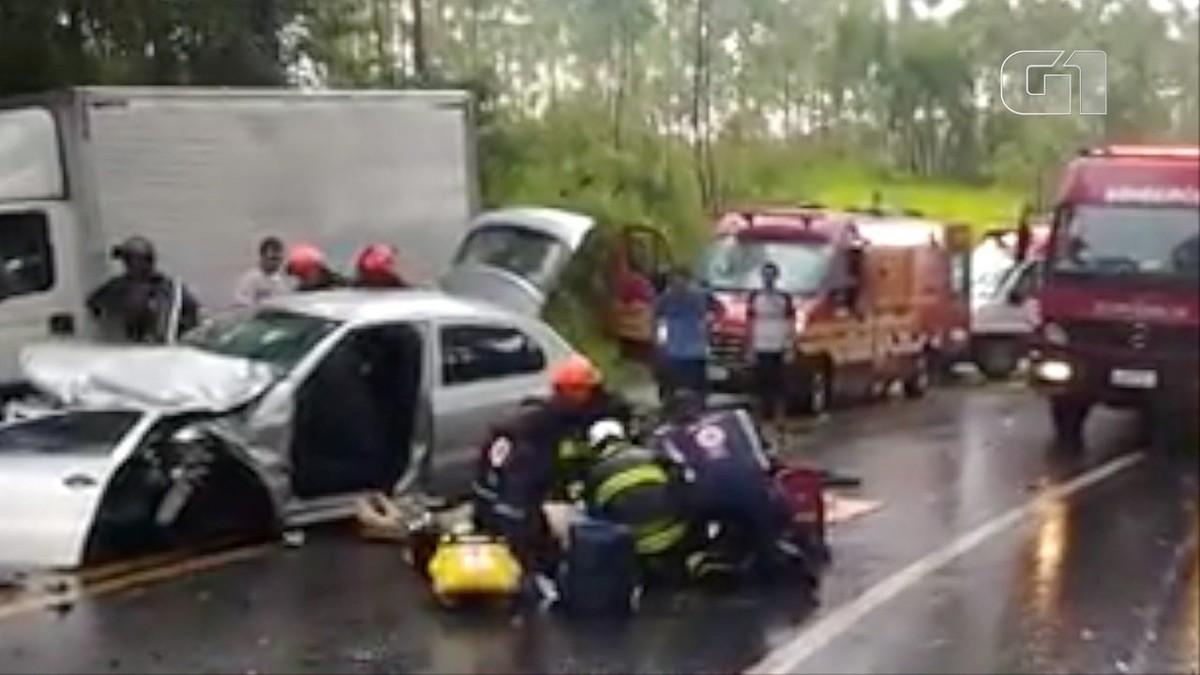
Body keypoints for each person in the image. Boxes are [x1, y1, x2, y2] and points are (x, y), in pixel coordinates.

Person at [470, 355, 634, 575]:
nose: (574, 396)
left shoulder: (605, 413)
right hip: (550, 506)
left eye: (579, 390)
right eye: (570, 390)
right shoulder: (543, 425)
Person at [651, 390, 815, 587]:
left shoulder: (666, 436)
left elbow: (668, 474)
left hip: (708, 501)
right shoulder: (737, 419)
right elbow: (765, 460)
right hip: (756, 493)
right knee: (765, 510)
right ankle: (770, 551)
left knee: (686, 499)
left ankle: (706, 555)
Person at [576, 418, 691, 585]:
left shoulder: (592, 476)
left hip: (637, 546)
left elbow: (595, 520)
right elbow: (683, 481)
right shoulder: (651, 455)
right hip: (677, 534)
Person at [86, 235, 200, 344]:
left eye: (129, 260)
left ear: (145, 262)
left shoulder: (170, 288)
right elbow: (93, 303)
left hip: (161, 349)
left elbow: (191, 313)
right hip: (125, 348)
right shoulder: (118, 285)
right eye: (126, 260)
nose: (126, 265)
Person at [653, 266, 722, 406]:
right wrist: (656, 336)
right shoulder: (666, 298)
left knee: (696, 391)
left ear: (688, 280)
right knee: (673, 390)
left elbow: (719, 309)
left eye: (681, 279)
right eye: (674, 280)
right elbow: (654, 315)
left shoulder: (700, 295)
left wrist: (710, 324)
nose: (678, 283)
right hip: (674, 351)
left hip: (694, 351)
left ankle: (696, 410)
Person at [745, 261, 797, 442]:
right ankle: (758, 427)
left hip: (778, 347)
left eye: (771, 275)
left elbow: (791, 323)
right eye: (765, 275)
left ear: (776, 277)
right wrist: (749, 348)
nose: (768, 279)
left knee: (779, 391)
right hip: (761, 347)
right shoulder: (754, 297)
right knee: (759, 391)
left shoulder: (784, 298)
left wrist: (790, 346)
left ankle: (780, 427)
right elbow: (749, 323)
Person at [233, 236, 293, 307]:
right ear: (262, 257)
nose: (277, 263)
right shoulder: (250, 279)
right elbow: (241, 304)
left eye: (279, 259)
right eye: (273, 258)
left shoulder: (282, 282)